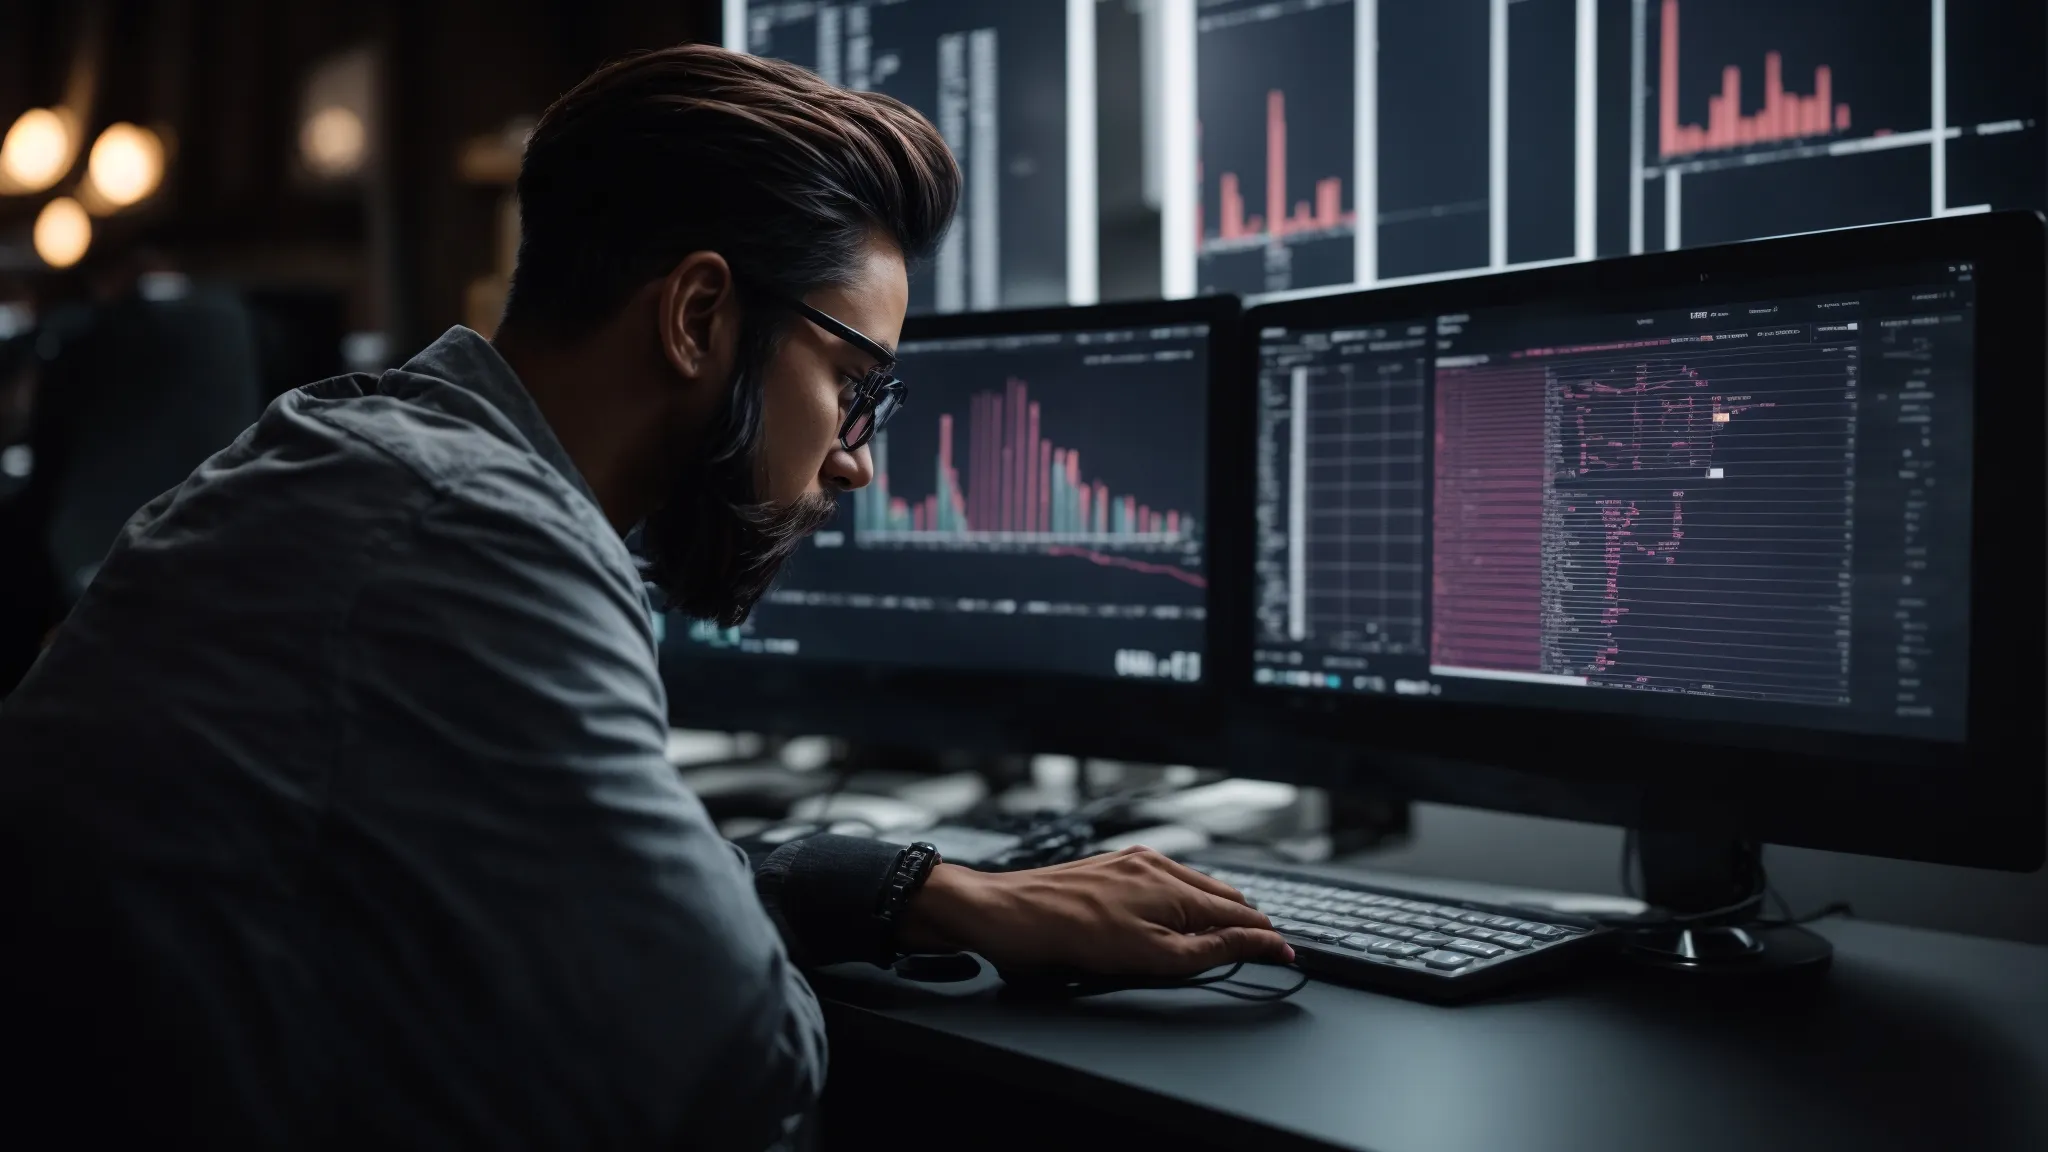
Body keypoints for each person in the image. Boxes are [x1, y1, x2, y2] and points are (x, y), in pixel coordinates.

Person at [0, 44, 1291, 1149]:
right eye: (858, 389)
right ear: (698, 314)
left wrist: (914, 890)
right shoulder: (476, 533)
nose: (852, 458)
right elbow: (730, 1072)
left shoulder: (349, 450)